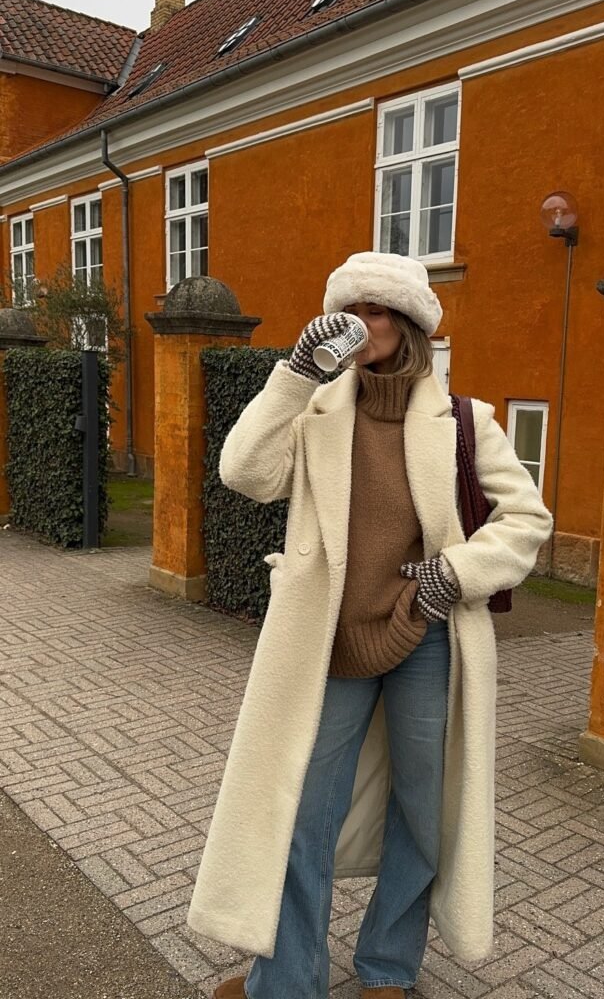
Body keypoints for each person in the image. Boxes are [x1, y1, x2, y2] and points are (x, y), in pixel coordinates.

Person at [187, 252, 553, 999]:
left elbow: (526, 519)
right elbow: (243, 473)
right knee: (299, 811)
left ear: (410, 324)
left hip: (427, 639)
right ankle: (287, 978)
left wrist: (453, 575)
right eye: (348, 309)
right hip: (328, 643)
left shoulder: (464, 422)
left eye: (376, 310)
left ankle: (388, 969)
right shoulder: (314, 414)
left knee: (422, 810)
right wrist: (294, 373)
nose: (360, 322)